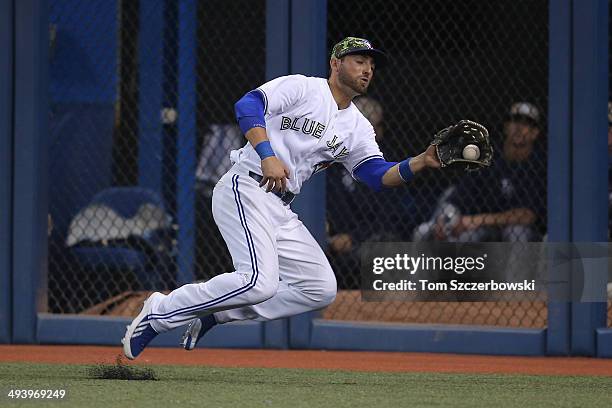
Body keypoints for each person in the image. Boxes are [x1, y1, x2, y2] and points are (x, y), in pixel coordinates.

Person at [122, 37, 441, 359]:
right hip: (246, 186)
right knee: (258, 282)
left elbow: (375, 174)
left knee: (319, 289)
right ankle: (160, 311)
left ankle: (217, 313)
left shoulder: (358, 126)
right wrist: (266, 154)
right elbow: (247, 106)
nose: (367, 69)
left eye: (371, 65)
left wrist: (421, 162)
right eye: (359, 61)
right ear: (335, 63)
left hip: (279, 205)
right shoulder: (303, 88)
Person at [412, 102, 546, 242]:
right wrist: (444, 219)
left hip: (517, 230)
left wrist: (476, 220)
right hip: (483, 228)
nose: (519, 127)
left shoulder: (537, 166)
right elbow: (458, 197)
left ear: (534, 132)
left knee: (517, 232)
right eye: (515, 120)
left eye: (527, 123)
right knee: (450, 235)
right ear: (506, 127)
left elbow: (527, 215)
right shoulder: (490, 159)